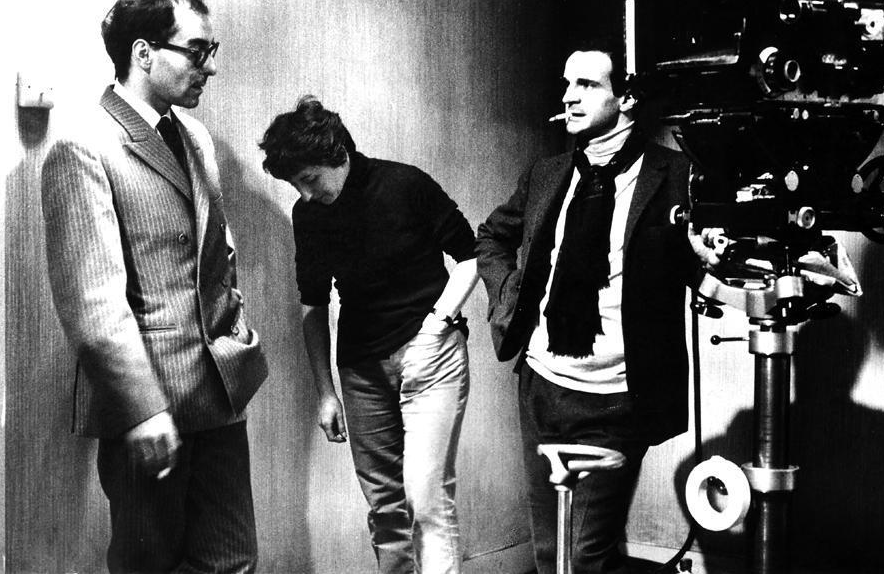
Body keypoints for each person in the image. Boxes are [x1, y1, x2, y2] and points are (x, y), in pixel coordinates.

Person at [41, 0, 269, 573]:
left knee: (233, 560)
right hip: (149, 402)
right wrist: (142, 408)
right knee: (150, 565)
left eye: (211, 51)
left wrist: (236, 338)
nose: (210, 67)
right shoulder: (84, 145)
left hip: (217, 391)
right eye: (197, 51)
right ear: (143, 53)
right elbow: (93, 303)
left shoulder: (194, 138)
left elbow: (218, 257)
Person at [475, 44, 708, 573]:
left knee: (585, 555)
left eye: (586, 85)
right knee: (548, 552)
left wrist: (706, 256)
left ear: (627, 98)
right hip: (541, 387)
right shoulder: (548, 173)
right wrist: (509, 296)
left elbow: (705, 260)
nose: (569, 97)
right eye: (567, 84)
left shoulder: (677, 175)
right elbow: (491, 237)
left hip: (617, 398)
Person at [259, 97, 479, 574]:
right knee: (386, 507)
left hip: (431, 354)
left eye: (310, 179)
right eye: (295, 185)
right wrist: (326, 393)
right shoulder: (309, 215)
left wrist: (437, 325)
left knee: (426, 498)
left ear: (338, 153)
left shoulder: (405, 184)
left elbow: (471, 255)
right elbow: (313, 304)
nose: (306, 194)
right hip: (361, 366)